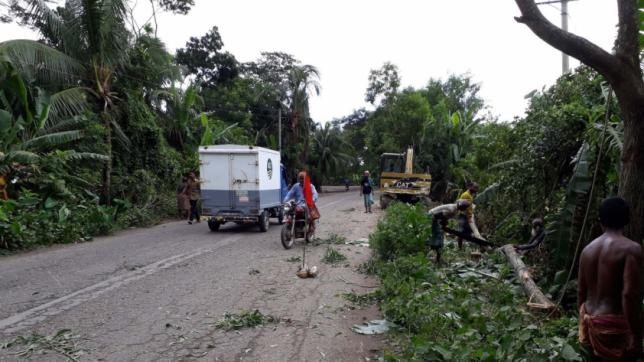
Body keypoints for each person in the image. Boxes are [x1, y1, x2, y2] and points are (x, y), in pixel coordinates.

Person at [578, 197, 642, 361]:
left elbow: (581, 292)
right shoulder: (631, 249)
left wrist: (585, 323)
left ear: (601, 221)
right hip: (613, 325)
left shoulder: (587, 250)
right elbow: (629, 294)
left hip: (589, 320)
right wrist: (635, 334)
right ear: (626, 220)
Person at [456, 182, 484, 249]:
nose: (476, 189)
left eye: (477, 188)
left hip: (468, 216)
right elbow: (462, 207)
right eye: (475, 188)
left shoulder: (471, 195)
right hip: (463, 216)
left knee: (468, 232)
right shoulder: (466, 195)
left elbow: (469, 206)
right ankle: (460, 248)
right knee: (461, 231)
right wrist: (469, 216)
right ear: (470, 187)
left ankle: (465, 247)